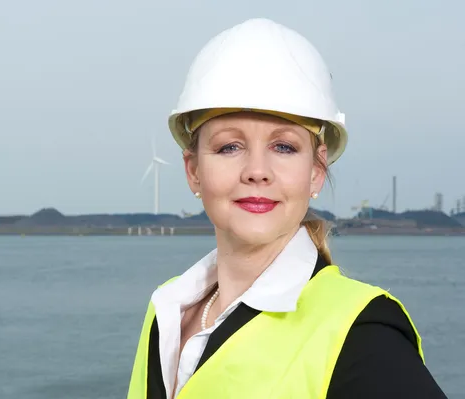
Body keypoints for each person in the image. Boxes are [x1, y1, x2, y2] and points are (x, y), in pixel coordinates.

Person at [126, 18, 447, 398]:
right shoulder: (167, 308)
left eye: (284, 147)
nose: (257, 172)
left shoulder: (361, 334)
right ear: (193, 170)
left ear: (315, 171)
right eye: (230, 146)